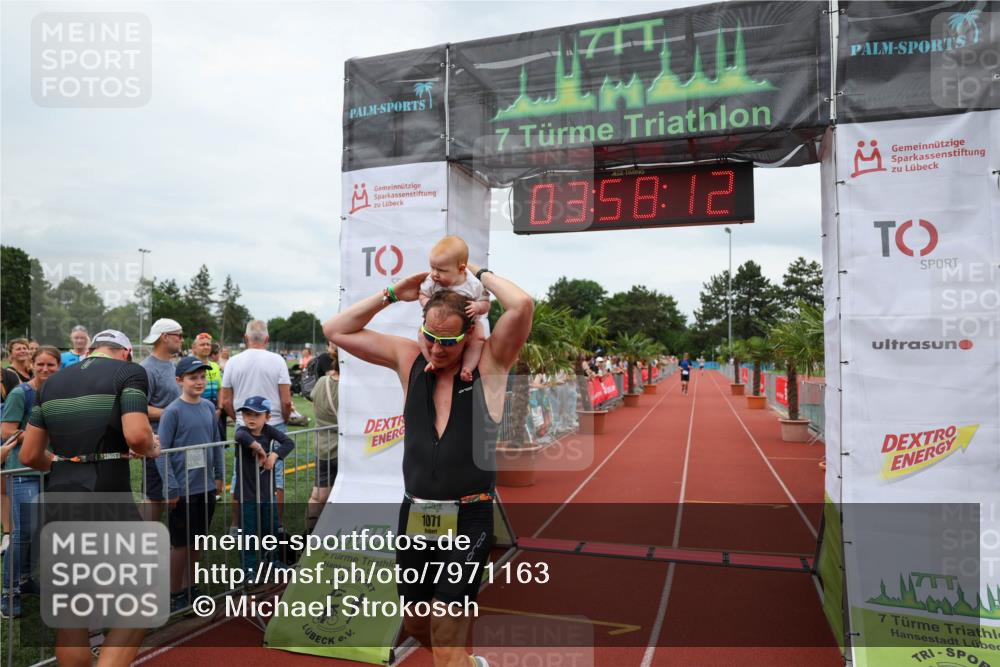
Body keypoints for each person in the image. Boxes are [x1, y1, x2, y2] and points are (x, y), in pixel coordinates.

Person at [323, 262, 532, 667]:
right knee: (418, 624)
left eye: (449, 342)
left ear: (469, 333)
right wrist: (389, 294)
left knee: (447, 634)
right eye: (431, 337)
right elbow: (336, 330)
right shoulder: (409, 359)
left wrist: (479, 274)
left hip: (469, 517)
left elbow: (521, 305)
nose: (437, 349)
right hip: (415, 515)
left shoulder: (490, 363)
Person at [19, 329, 158, 667]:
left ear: (93, 349)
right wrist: (149, 447)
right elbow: (137, 435)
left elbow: (30, 455)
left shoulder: (52, 382)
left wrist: (63, 463)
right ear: (125, 352)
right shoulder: (129, 372)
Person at [155, 356, 225, 612]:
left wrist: (219, 475)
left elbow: (216, 443)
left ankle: (190, 586)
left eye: (202, 377)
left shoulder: (208, 407)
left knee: (198, 542)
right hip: (182, 490)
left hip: (205, 487)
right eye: (192, 377)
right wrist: (171, 488)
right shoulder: (172, 411)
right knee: (181, 544)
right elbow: (161, 453)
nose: (198, 381)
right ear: (179, 380)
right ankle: (174, 592)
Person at [0, 345, 60, 617]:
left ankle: (25, 580)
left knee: (38, 532)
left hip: (49, 472)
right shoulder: (20, 393)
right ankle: (8, 593)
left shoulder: (59, 394)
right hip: (22, 471)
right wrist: (36, 442)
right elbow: (7, 431)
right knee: (22, 533)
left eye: (51, 365)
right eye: (41, 364)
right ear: (33, 365)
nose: (46, 369)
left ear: (59, 367)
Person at [220, 321, 292, 532]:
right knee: (276, 476)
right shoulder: (277, 360)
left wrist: (240, 419)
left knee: (239, 477)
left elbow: (225, 400)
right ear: (267, 339)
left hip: (244, 427)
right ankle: (276, 526)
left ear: (246, 338)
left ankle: (236, 525)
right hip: (274, 424)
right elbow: (286, 400)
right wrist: (284, 419)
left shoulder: (233, 361)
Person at [233, 396, 295, 573]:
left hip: (267, 493)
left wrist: (274, 455)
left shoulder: (269, 431)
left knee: (271, 530)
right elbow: (239, 435)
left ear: (267, 417)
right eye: (247, 414)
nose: (251, 418)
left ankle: (272, 561)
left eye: (256, 415)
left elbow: (288, 442)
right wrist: (259, 449)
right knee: (249, 534)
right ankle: (249, 569)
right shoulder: (242, 431)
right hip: (247, 495)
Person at [418, 236, 491, 382]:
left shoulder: (473, 283)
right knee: (421, 335)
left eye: (441, 270)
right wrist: (426, 303)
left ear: (461, 268)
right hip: (441, 327)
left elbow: (486, 303)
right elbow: (422, 294)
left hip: (471, 324)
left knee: (478, 340)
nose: (435, 274)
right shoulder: (431, 280)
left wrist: (478, 307)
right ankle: (430, 361)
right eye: (432, 268)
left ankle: (467, 368)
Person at [140, 318, 184, 521]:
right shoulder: (147, 369)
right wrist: (172, 413)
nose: (182, 340)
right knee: (155, 497)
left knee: (176, 495)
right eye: (179, 335)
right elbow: (138, 408)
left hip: (176, 442)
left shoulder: (173, 366)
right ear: (165, 337)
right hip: (156, 444)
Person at [307, 346, 338, 532]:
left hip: (323, 446)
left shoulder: (322, 382)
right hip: (344, 448)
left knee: (318, 495)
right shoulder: (351, 387)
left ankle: (309, 534)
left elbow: (312, 397)